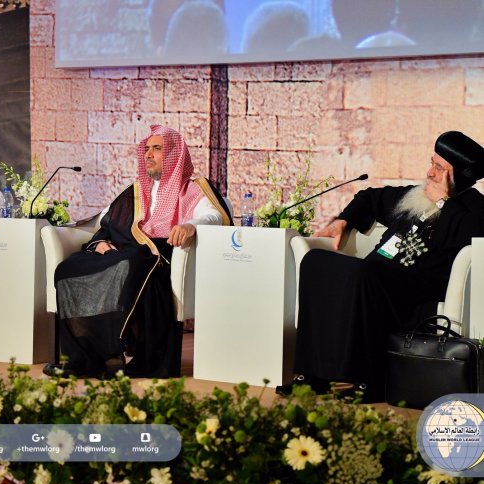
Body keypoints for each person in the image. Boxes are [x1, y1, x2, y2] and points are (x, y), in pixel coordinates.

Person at [276, 131, 484, 402]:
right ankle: (312, 376)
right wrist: (342, 221)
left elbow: (463, 248)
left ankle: (368, 381)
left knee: (364, 273)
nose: (430, 173)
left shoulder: (473, 211)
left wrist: (444, 202)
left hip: (419, 286)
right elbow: (369, 197)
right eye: (432, 163)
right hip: (375, 277)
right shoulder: (416, 196)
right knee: (315, 261)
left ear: (457, 176)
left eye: (439, 168)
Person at [44, 125, 232, 379]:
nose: (148, 155)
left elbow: (214, 215)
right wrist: (98, 242)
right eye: (146, 149)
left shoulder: (192, 189)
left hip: (156, 256)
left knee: (131, 262)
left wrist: (190, 225)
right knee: (68, 268)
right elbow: (105, 222)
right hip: (123, 253)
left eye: (157, 149)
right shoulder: (135, 191)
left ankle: (109, 356)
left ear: (174, 155)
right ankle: (79, 359)